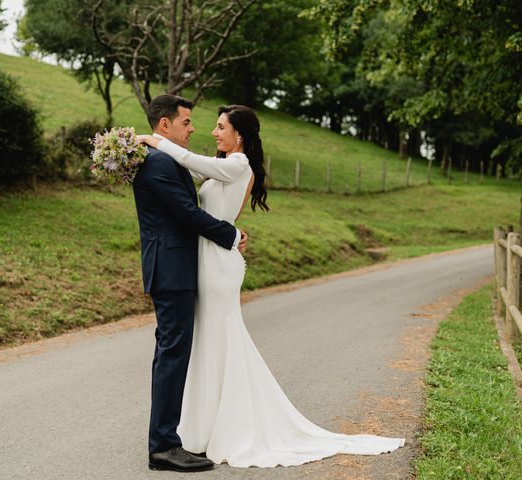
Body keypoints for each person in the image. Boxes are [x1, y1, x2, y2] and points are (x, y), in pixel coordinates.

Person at [137, 104, 405, 468]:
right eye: (206, 125)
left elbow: (192, 165)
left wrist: (152, 140)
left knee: (219, 340)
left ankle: (225, 429)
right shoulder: (218, 169)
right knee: (208, 343)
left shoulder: (238, 164)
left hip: (217, 265)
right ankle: (200, 430)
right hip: (204, 259)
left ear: (239, 136)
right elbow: (190, 196)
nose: (212, 132)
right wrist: (230, 231)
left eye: (220, 127)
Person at [132, 94, 247, 473]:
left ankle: (169, 439)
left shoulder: (166, 159)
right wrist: (229, 235)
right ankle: (163, 446)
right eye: (186, 122)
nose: (193, 128)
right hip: (172, 268)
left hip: (176, 267)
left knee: (172, 353)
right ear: (164, 125)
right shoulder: (160, 163)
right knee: (172, 354)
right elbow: (186, 214)